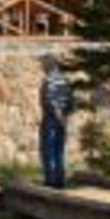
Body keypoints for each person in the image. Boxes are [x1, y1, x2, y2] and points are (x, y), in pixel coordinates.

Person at [38, 54, 75, 188]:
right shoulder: (65, 79)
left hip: (51, 118)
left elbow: (49, 100)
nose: (41, 66)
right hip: (63, 118)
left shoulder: (48, 80)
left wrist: (58, 115)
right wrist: (66, 116)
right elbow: (71, 100)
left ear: (49, 64)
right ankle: (60, 179)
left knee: (48, 148)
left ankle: (51, 180)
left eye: (43, 64)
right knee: (59, 149)